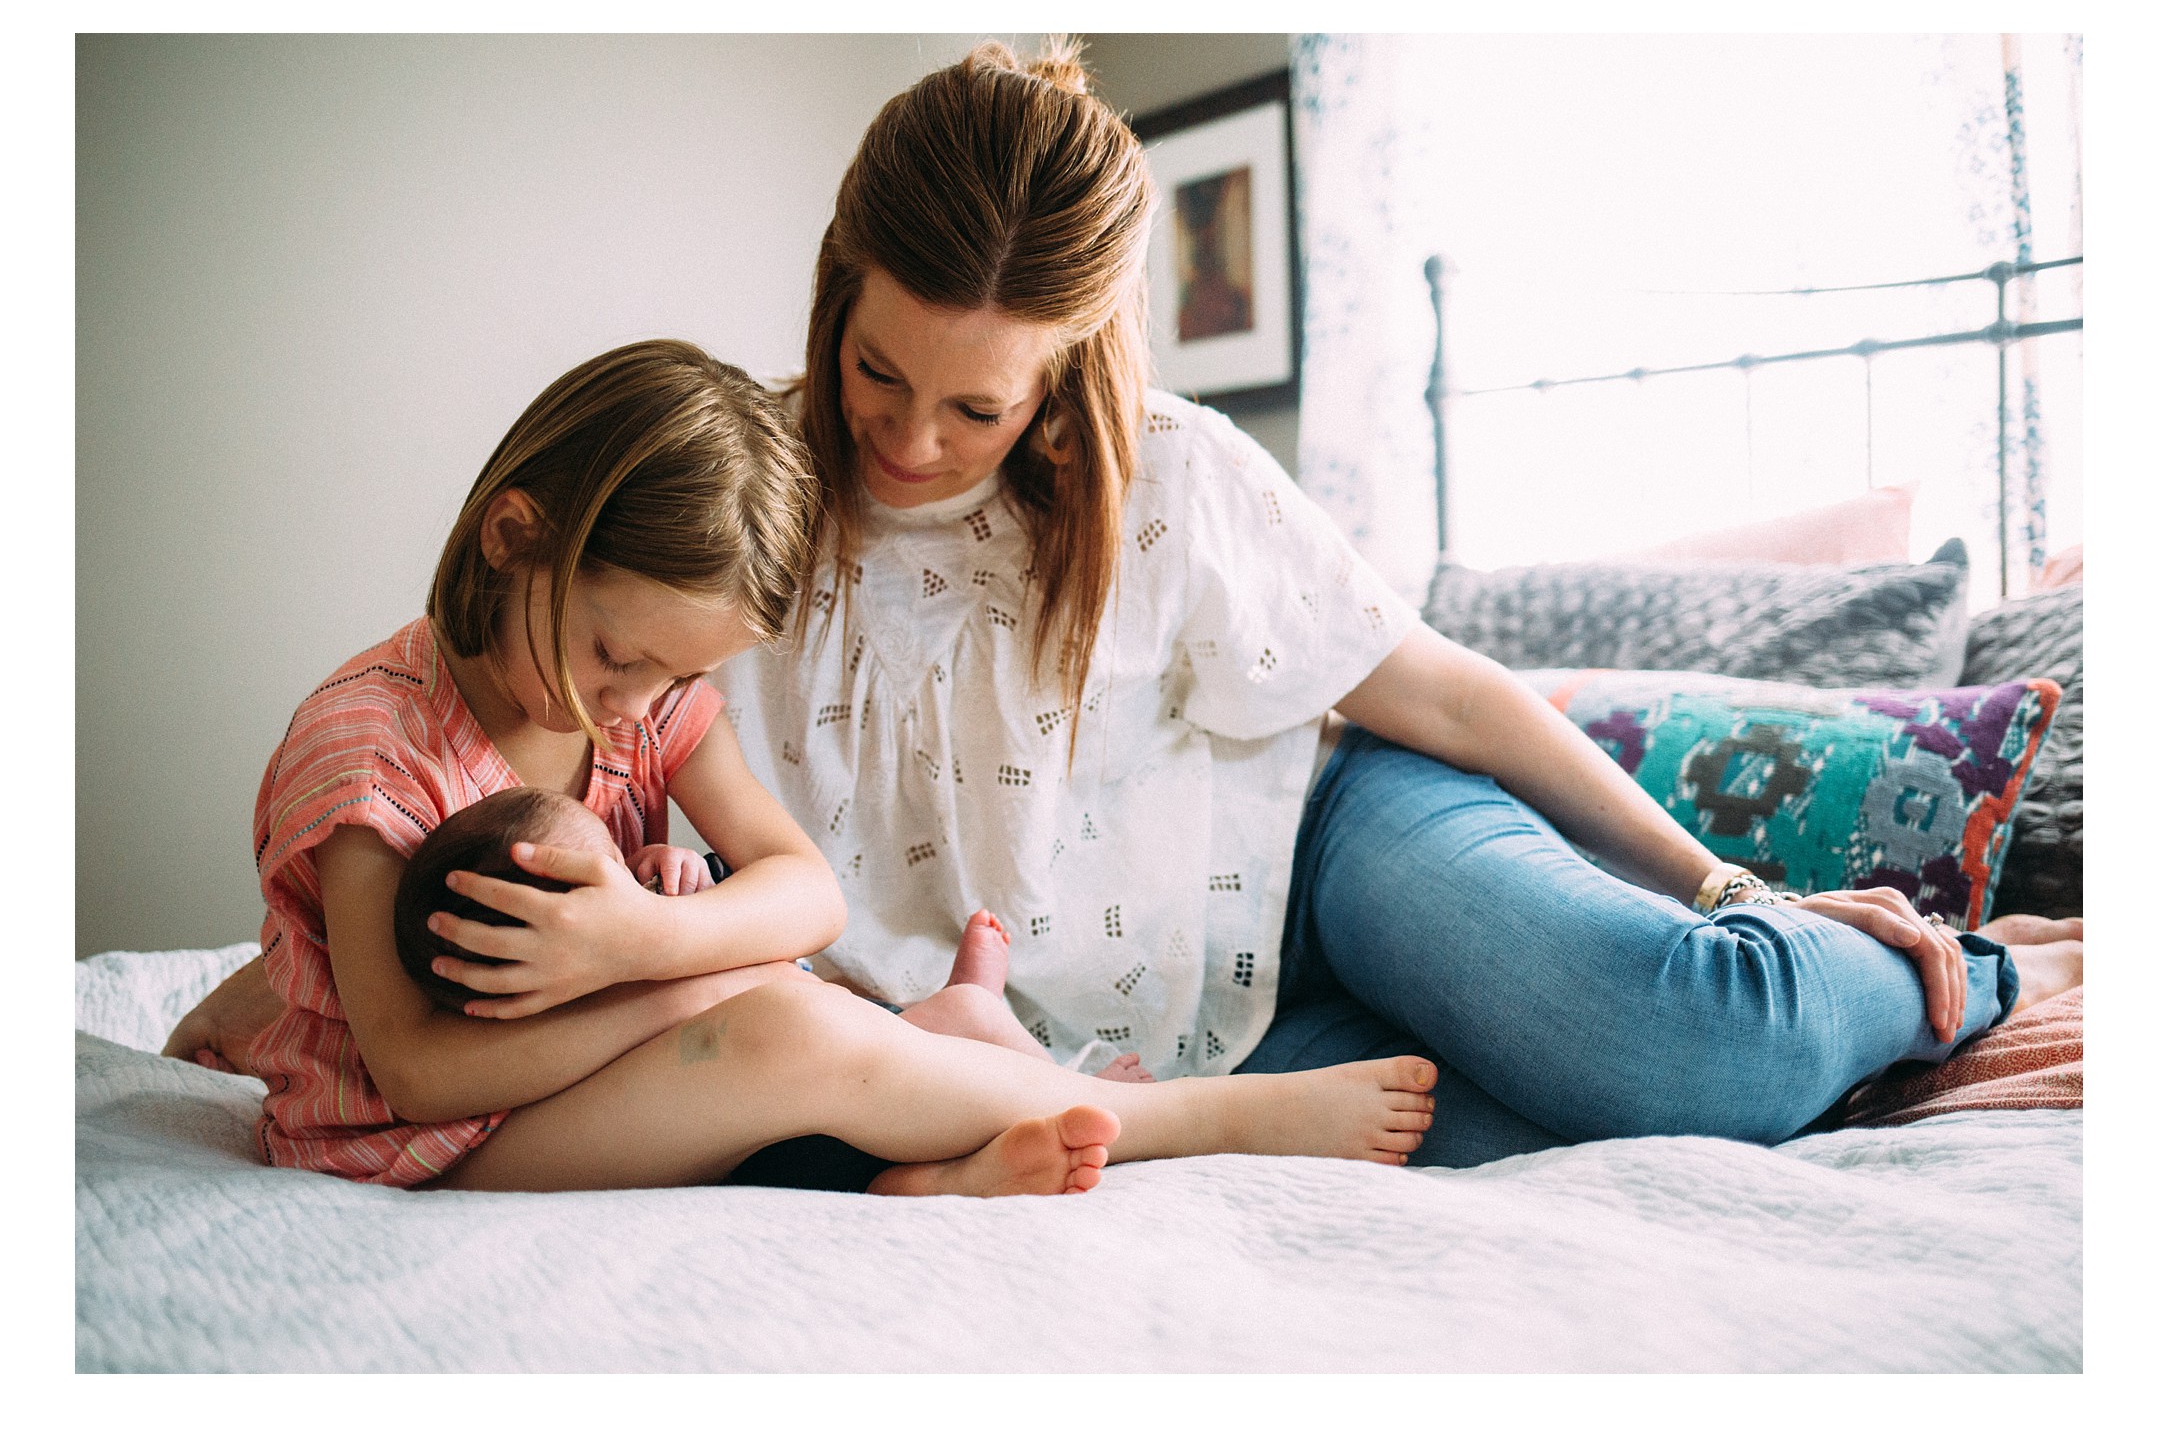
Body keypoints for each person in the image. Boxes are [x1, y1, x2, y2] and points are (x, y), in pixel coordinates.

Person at [171, 41, 2082, 1180]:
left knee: (1695, 1043)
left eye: (977, 405)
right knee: (1564, 1126)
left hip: (1325, 840)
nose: (913, 439)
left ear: (1062, 365)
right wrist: (298, 987)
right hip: (1148, 1028)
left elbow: (1446, 693)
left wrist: (1717, 885)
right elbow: (520, 732)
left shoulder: (1170, 474)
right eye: (876, 373)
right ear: (835, 296)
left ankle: (1990, 962)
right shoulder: (737, 525)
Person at [184, 335, 1436, 1196]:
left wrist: (644, 940)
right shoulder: (367, 755)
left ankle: (924, 1162)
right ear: (517, 536)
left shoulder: (644, 697)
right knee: (783, 1023)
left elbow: (803, 892)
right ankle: (1201, 1121)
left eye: (676, 679)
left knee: (806, 1007)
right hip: (425, 1143)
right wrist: (685, 985)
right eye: (617, 653)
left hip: (588, 1072)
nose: (633, 705)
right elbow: (412, 1069)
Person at [394, 784, 1153, 1079]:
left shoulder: (639, 918)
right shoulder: (577, 1003)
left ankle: (976, 1028)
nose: (634, 874)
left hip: (824, 1015)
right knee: (917, 1064)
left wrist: (679, 872)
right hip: (810, 1069)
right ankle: (1055, 1078)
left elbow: (769, 919)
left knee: (891, 1041)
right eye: (608, 872)